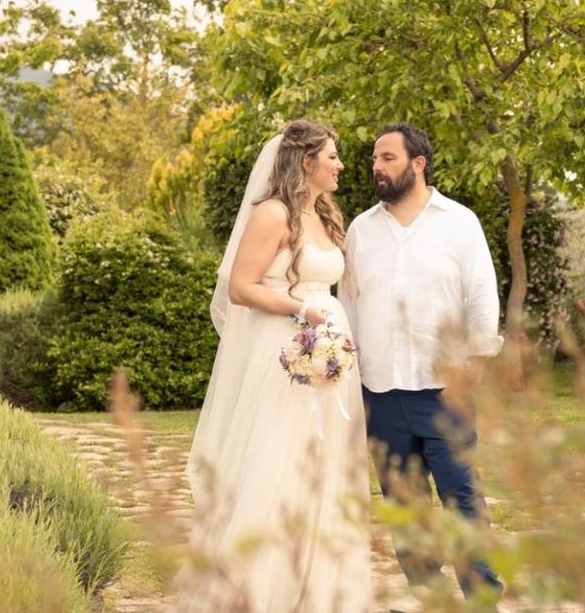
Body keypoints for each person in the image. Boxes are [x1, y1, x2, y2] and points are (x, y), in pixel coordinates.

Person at [176, 120, 371, 612]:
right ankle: (258, 590)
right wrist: (300, 309)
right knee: (277, 459)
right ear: (306, 162)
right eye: (332, 157)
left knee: (325, 467)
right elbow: (241, 288)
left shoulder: (325, 214)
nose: (340, 165)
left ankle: (318, 588)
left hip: (328, 354)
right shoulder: (272, 214)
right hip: (284, 351)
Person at [338, 122, 504, 608]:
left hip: (444, 390)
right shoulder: (361, 230)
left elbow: (481, 295)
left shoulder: (459, 222)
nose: (376, 167)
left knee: (463, 501)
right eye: (373, 159)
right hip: (381, 392)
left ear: (418, 163)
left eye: (387, 158)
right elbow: (347, 303)